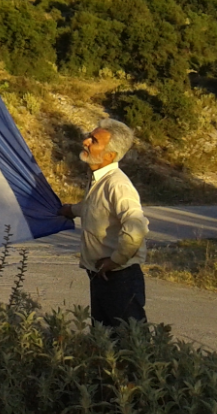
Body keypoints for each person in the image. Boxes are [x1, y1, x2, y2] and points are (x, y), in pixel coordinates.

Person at [60, 118, 150, 329]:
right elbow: (94, 208)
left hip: (120, 277)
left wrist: (115, 261)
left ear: (110, 155)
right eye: (89, 137)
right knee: (103, 339)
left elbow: (136, 226)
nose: (85, 142)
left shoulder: (118, 184)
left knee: (129, 342)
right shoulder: (99, 179)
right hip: (101, 275)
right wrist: (70, 210)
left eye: (94, 140)